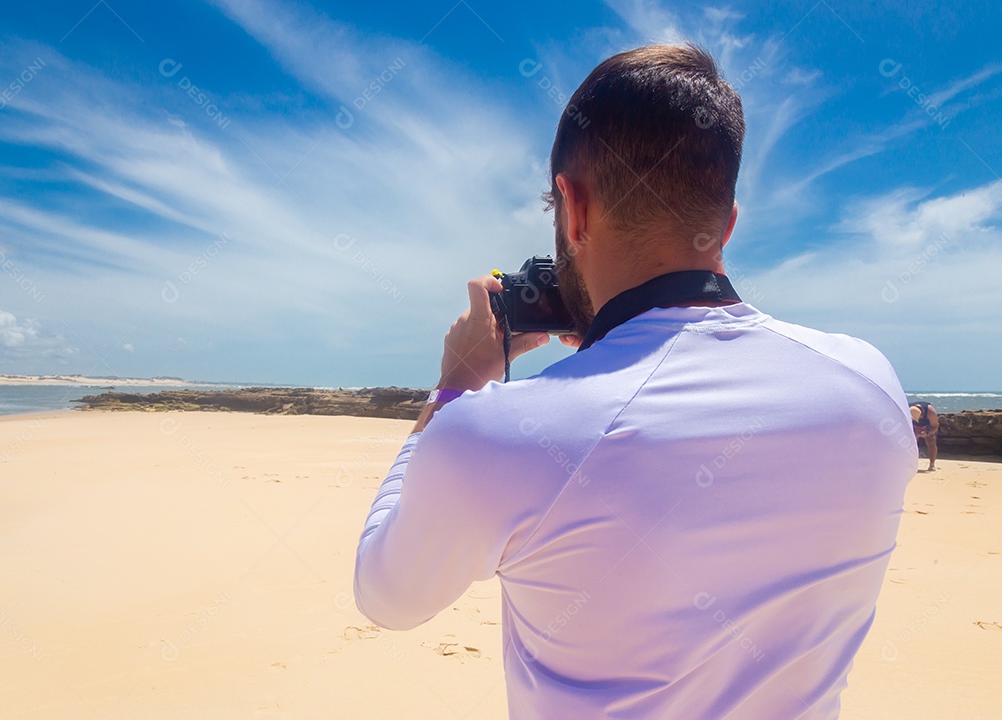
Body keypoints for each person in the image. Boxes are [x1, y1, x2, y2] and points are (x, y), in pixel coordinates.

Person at [353, 44, 917, 719]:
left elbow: (385, 594)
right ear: (728, 225)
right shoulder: (870, 385)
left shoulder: (496, 430)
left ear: (572, 206)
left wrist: (454, 386)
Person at [909, 401, 939, 471]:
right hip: (913, 425)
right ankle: (911, 463)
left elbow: (935, 426)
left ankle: (932, 464)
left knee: (931, 441)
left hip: (927, 425)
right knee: (910, 443)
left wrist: (927, 433)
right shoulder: (907, 409)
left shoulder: (930, 412)